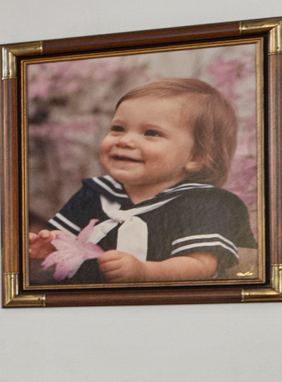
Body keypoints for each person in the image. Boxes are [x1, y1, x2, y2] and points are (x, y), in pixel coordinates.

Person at [28, 76, 255, 284]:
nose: (125, 141)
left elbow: (201, 265)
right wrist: (53, 246)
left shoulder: (205, 203)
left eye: (151, 133)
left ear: (196, 157)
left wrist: (144, 272)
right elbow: (72, 245)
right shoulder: (94, 193)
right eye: (118, 128)